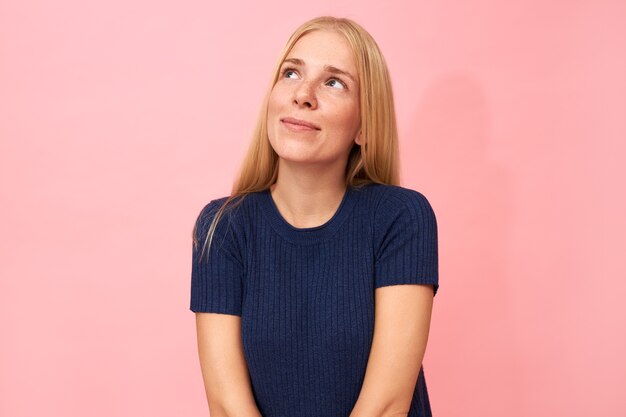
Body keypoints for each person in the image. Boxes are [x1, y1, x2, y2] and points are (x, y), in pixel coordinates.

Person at [190, 15, 439, 417]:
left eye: (334, 82)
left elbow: (386, 406)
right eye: (291, 73)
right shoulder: (223, 228)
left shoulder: (401, 218)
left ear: (364, 125)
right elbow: (227, 405)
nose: (303, 94)